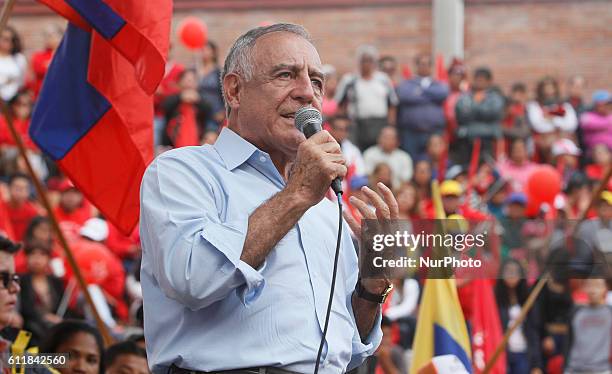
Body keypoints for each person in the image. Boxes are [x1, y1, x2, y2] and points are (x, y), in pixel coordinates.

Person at [140, 24, 396, 373]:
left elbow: (349, 348)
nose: (307, 92)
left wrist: (371, 289)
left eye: (317, 81)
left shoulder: (325, 207)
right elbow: (192, 279)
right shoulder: (182, 172)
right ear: (234, 90)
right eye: (286, 75)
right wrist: (297, 194)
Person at [335, 45, 398, 151]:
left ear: (375, 62)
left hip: (379, 123)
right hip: (357, 124)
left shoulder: (383, 79)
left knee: (378, 152)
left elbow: (392, 103)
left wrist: (390, 125)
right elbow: (340, 103)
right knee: (357, 151)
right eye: (364, 61)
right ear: (359, 62)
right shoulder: (350, 80)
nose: (367, 64)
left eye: (370, 60)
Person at [396, 53, 449, 159]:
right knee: (412, 161)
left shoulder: (438, 84)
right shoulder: (407, 83)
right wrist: (431, 96)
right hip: (411, 132)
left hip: (433, 132)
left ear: (431, 67)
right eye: (421, 64)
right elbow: (405, 95)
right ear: (416, 66)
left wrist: (420, 92)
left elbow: (442, 93)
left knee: (434, 161)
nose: (424, 67)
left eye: (427, 64)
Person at [494, 259, 543, 374]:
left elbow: (533, 332)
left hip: (523, 353)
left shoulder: (528, 300)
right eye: (508, 271)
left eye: (515, 272)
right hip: (502, 354)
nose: (511, 275)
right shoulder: (495, 300)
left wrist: (536, 364)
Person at [455, 67, 505, 165]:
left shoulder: (495, 97)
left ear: (489, 82)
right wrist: (481, 107)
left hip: (488, 139)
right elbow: (461, 115)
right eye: (477, 79)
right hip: (467, 138)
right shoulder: (465, 96)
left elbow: (493, 113)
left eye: (482, 80)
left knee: (487, 166)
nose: (479, 82)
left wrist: (474, 107)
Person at [19, 241, 64, 342]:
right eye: (32, 254)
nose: (37, 259)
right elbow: (23, 308)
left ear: (48, 259)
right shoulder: (21, 281)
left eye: (42, 254)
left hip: (54, 328)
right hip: (29, 329)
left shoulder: (55, 282)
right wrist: (44, 317)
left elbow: (62, 305)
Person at [565, 278, 612, 374]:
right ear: (584, 288)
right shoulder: (576, 312)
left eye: (597, 285)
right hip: (574, 369)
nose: (593, 290)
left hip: (602, 369)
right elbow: (568, 341)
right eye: (590, 285)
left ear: (605, 288)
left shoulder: (609, 312)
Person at [527, 77, 578, 164]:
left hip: (564, 136)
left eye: (551, 88)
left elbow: (571, 124)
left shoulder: (565, 105)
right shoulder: (534, 106)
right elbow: (538, 125)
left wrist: (553, 120)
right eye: (546, 88)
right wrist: (558, 120)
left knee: (569, 151)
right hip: (544, 140)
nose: (549, 91)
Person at [161, 69, 213, 148]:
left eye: (192, 80)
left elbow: (209, 111)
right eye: (186, 79)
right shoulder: (174, 98)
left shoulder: (202, 99)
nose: (188, 82)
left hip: (197, 142)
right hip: (173, 144)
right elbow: (165, 107)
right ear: (179, 82)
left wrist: (198, 100)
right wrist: (180, 97)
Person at [29, 25, 63, 98]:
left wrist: (49, 65)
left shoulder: (64, 55)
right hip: (41, 94)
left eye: (52, 35)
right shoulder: (39, 56)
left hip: (60, 93)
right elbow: (39, 70)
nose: (50, 39)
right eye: (47, 36)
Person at [197, 41, 225, 129]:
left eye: (207, 50)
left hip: (214, 112)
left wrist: (223, 111)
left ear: (213, 53)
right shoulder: (195, 69)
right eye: (202, 50)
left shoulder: (218, 71)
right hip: (198, 110)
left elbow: (224, 92)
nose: (204, 52)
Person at [4, 173, 39, 242]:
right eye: (17, 188)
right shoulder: (2, 208)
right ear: (8, 188)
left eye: (25, 188)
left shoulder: (33, 212)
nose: (21, 192)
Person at [580, 90, 612, 157]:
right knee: (601, 150)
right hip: (595, 150)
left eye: (608, 104)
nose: (606, 107)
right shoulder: (588, 116)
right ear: (596, 105)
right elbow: (587, 123)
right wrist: (608, 123)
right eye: (603, 104)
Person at [0, 26, 26, 102]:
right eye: (1, 37)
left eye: (7, 40)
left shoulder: (19, 59)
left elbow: (21, 81)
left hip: (13, 101)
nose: (2, 42)